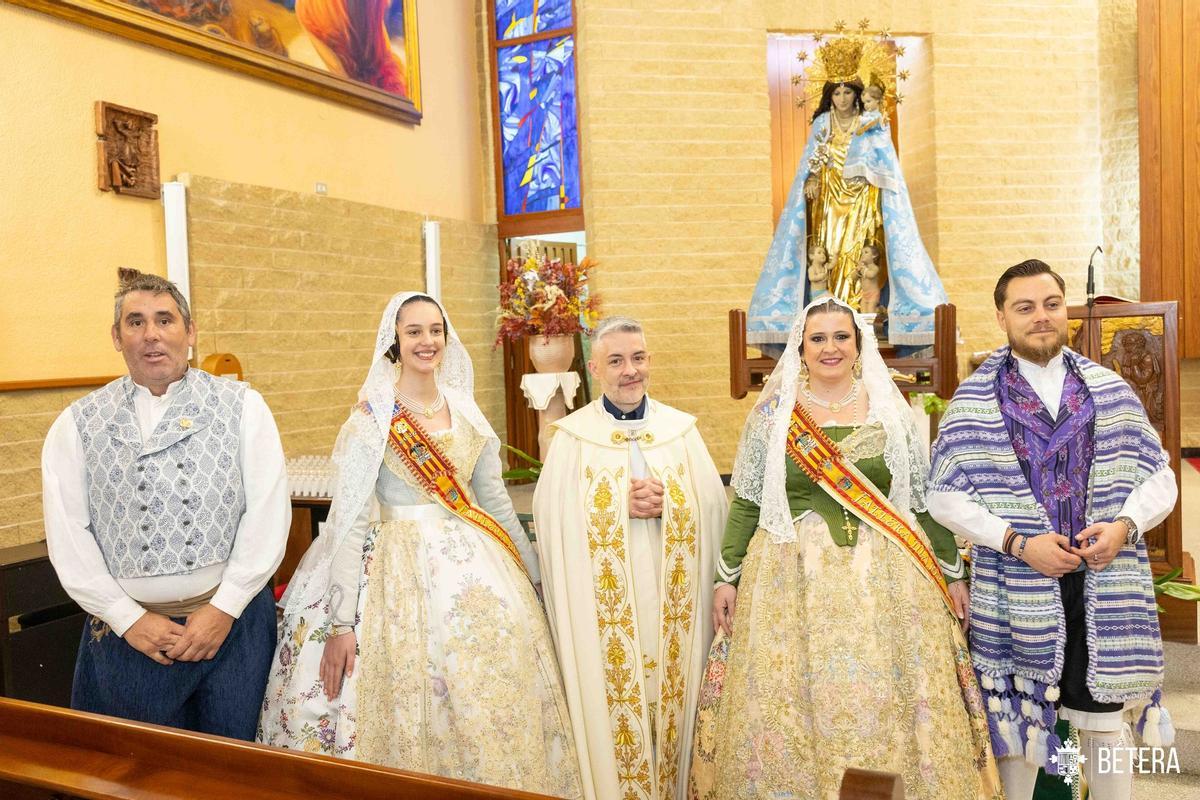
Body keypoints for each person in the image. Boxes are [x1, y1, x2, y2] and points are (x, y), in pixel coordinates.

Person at [258, 292, 580, 797]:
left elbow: (494, 502)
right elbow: (349, 521)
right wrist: (342, 622)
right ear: (395, 340)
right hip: (392, 571)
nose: (427, 341)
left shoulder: (469, 413)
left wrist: (536, 577)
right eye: (414, 332)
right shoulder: (372, 419)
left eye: (435, 330)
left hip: (477, 566)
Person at [691, 298, 1000, 800]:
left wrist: (951, 573)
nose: (830, 347)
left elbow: (921, 503)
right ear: (801, 347)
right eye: (818, 338)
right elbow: (747, 502)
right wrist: (726, 576)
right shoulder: (773, 415)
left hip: (886, 578)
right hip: (789, 577)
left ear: (859, 346)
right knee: (792, 697)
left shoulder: (890, 410)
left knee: (890, 697)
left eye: (841, 336)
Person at [928, 259, 1178, 800]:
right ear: (1001, 318)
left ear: (1066, 310)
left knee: (1103, 726)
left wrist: (1124, 528)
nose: (1040, 317)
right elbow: (942, 494)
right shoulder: (972, 403)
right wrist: (1017, 543)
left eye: (1050, 304)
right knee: (1019, 729)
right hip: (1017, 586)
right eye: (1025, 308)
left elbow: (1160, 478)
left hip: (1103, 581)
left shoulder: (1110, 392)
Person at [41, 268, 289, 739]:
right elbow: (70, 535)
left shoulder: (243, 407)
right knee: (131, 774)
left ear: (190, 332)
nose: (151, 335)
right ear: (117, 337)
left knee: (232, 772)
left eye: (165, 320)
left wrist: (225, 607)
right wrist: (127, 618)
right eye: (135, 322)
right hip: (127, 639)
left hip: (230, 630)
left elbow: (268, 511)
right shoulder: (77, 424)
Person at [533, 316, 728, 800]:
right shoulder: (573, 439)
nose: (629, 371)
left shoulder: (680, 431)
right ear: (595, 368)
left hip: (672, 604)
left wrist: (673, 503)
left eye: (638, 358)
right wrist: (617, 506)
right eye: (616, 361)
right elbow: (551, 519)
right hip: (604, 612)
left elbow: (714, 507)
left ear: (649, 362)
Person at [747, 35, 948, 349]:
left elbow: (886, 165)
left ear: (857, 94)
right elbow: (811, 163)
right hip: (828, 201)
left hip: (862, 202)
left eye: (847, 91)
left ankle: (860, 317)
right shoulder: (822, 124)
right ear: (830, 95)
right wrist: (811, 179)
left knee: (860, 257)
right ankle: (830, 316)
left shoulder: (870, 122)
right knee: (830, 256)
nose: (841, 98)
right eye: (837, 92)